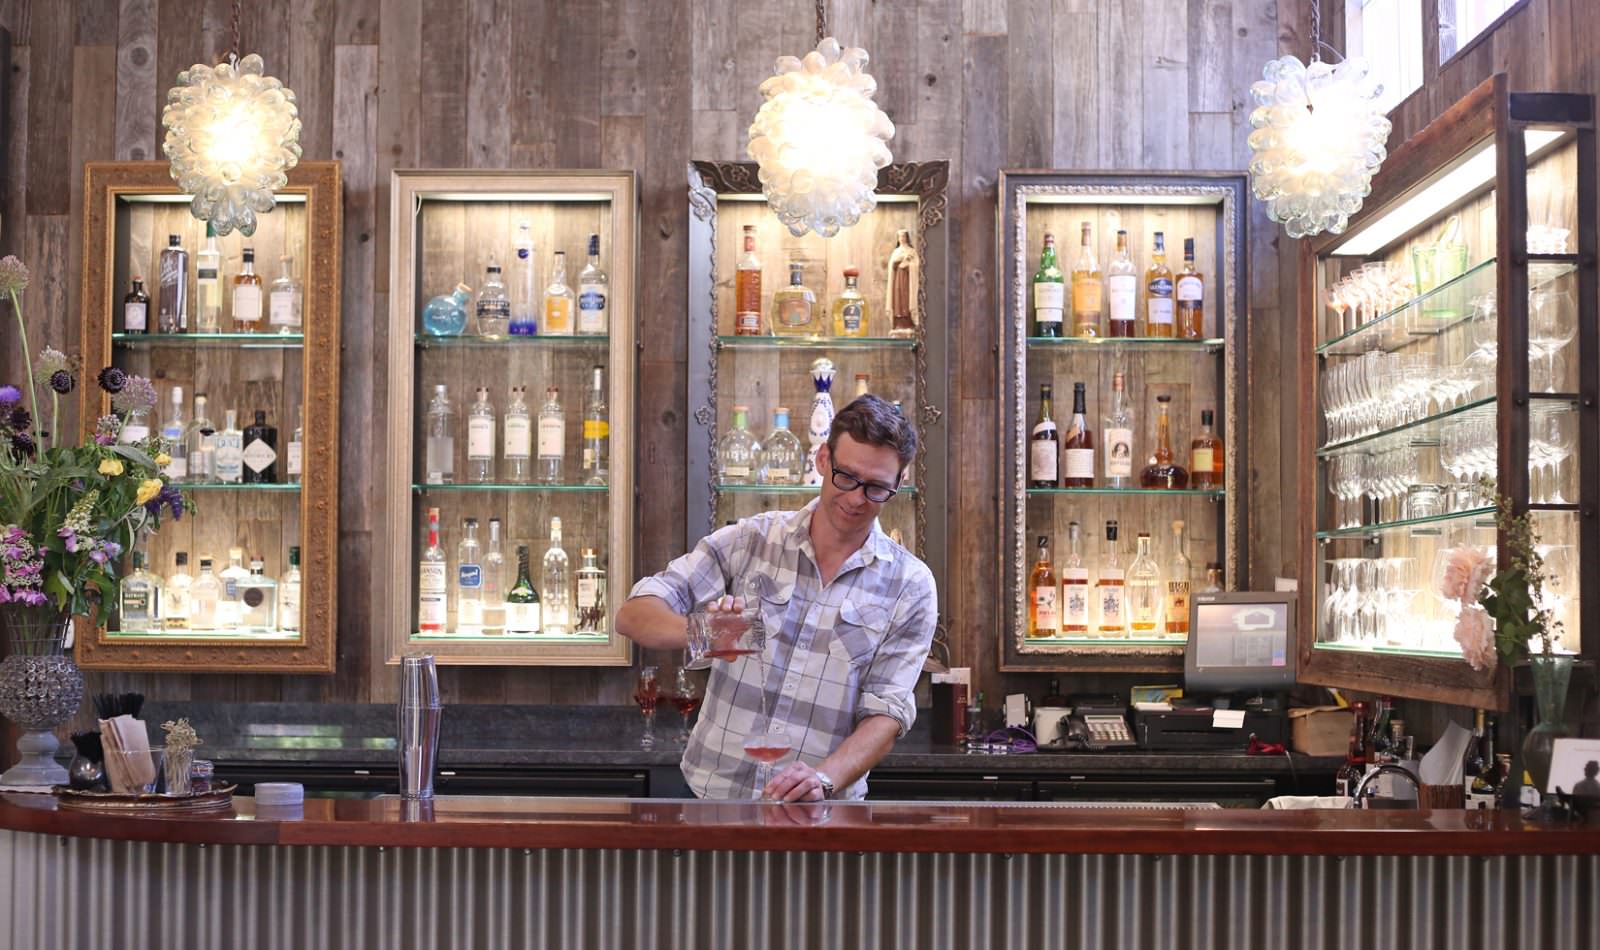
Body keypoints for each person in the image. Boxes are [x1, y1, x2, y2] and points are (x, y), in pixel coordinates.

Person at [616, 395, 937, 802]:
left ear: (898, 483)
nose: (856, 498)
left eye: (875, 488)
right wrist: (704, 632)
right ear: (823, 459)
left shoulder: (910, 584)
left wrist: (822, 779)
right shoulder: (752, 540)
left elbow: (886, 714)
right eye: (846, 477)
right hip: (711, 798)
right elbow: (633, 615)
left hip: (821, 813)